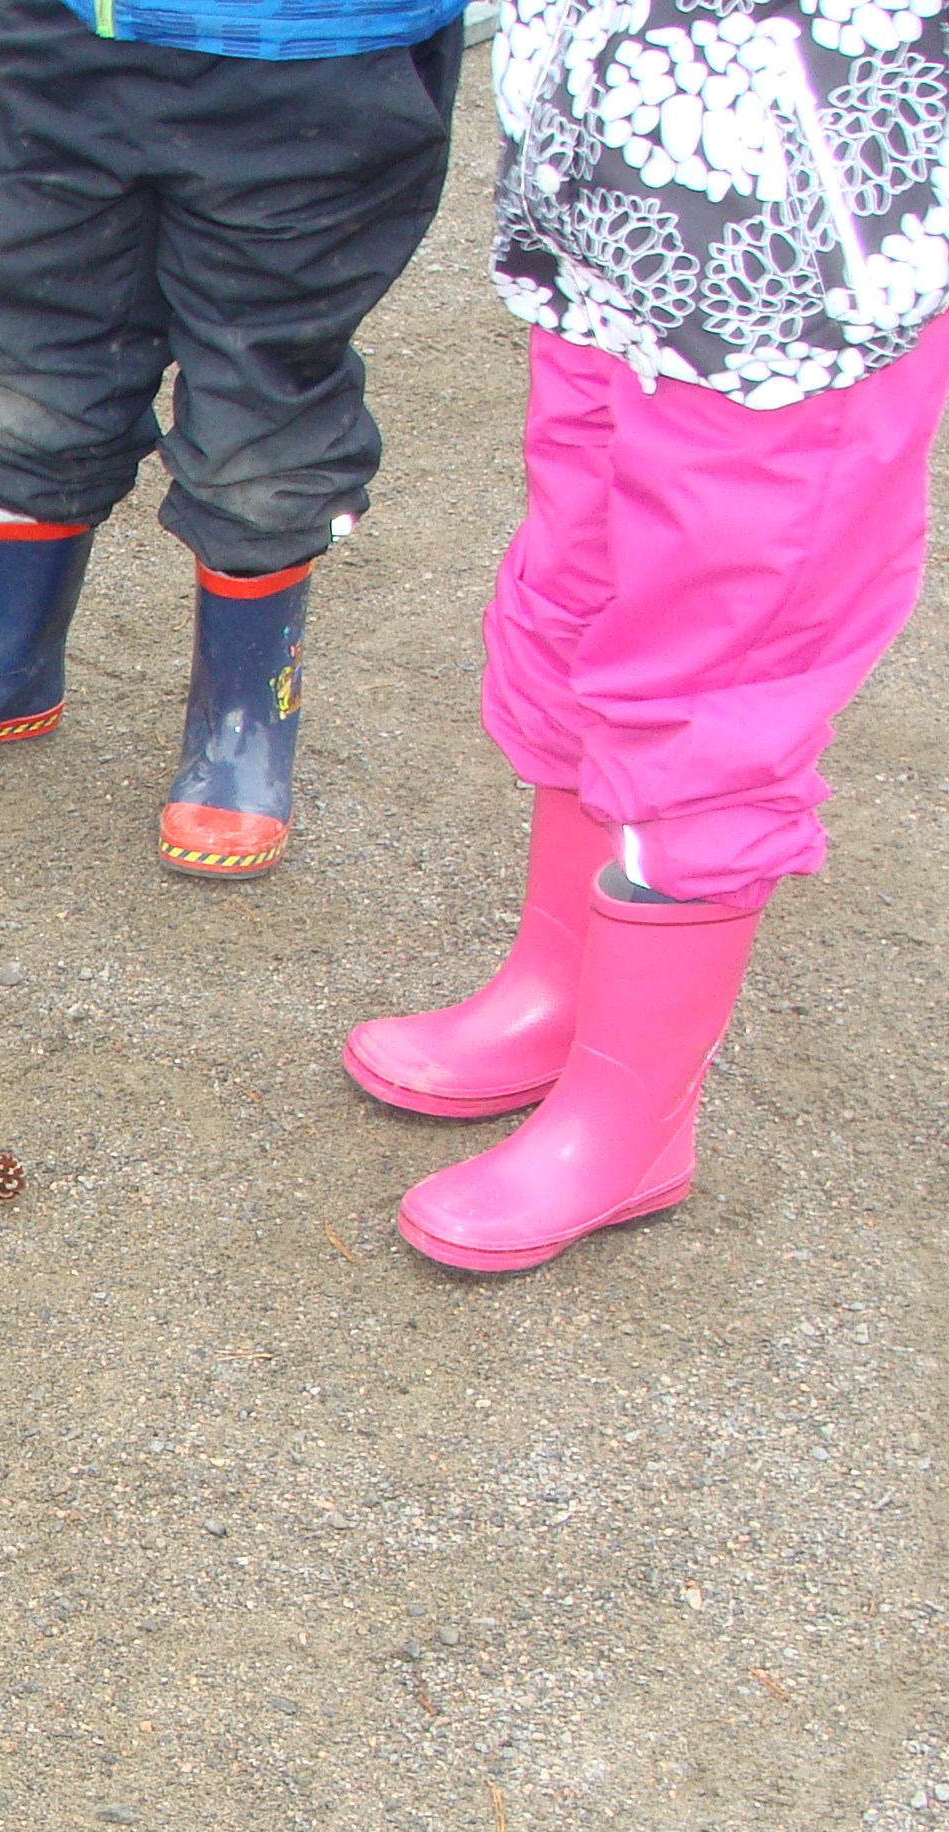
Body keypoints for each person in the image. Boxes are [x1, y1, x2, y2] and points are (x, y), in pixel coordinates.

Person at [342, 0, 949, 1273]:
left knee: (723, 660)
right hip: (613, 172)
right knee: (576, 586)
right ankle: (559, 992)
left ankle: (632, 1117)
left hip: (797, 229)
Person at [0, 0, 466, 879]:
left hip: (317, 45)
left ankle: (242, 725)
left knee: (264, 391)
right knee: (36, 335)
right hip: (87, 28)